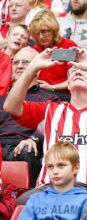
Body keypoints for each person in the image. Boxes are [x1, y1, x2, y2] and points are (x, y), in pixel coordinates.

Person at [4, 47, 87, 187]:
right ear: (69, 84)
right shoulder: (49, 109)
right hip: (48, 191)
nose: (77, 71)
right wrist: (32, 68)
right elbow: (10, 107)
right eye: (72, 70)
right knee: (21, 204)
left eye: (84, 70)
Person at [1, 47, 59, 187]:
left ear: (38, 68)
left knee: (27, 151)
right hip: (1, 144)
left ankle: (26, 201)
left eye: (26, 62)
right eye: (16, 62)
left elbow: (54, 123)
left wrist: (34, 138)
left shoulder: (50, 98)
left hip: (26, 145)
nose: (20, 66)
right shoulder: (2, 99)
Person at [19, 141, 87, 219]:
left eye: (61, 165)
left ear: (76, 168)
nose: (55, 171)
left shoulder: (86, 200)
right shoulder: (35, 199)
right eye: (50, 167)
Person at [30, 10, 77, 99]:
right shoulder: (34, 50)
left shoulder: (68, 47)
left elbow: (75, 79)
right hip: (37, 95)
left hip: (62, 95)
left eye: (44, 31)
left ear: (53, 30)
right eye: (37, 33)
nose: (40, 36)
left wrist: (52, 87)